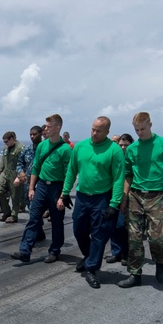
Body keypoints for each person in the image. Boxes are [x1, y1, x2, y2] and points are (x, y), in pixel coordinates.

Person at [57, 117, 125, 289]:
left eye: (99, 131)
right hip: (82, 196)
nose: (94, 133)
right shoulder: (80, 146)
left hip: (102, 197)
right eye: (93, 129)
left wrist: (114, 203)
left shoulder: (114, 150)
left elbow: (118, 179)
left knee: (98, 235)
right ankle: (89, 257)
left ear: (107, 132)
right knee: (78, 230)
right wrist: (65, 193)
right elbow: (71, 170)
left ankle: (93, 269)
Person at [120, 112, 163, 288]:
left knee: (158, 238)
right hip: (136, 195)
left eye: (143, 129)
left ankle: (160, 262)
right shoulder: (132, 149)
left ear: (150, 125)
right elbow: (128, 175)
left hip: (157, 196)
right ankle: (135, 273)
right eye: (136, 130)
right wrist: (124, 197)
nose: (139, 133)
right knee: (134, 237)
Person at [11, 114, 72, 264]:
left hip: (57, 187)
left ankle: (54, 251)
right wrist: (31, 188)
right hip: (42, 186)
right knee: (34, 218)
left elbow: (68, 174)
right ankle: (25, 251)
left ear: (58, 128)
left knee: (57, 222)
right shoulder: (42, 146)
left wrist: (63, 196)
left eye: (49, 126)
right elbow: (36, 167)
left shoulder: (65, 149)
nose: (46, 129)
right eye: (45, 126)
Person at [106, 134, 134, 264]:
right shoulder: (115, 157)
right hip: (114, 194)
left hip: (129, 196)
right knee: (113, 224)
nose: (123, 147)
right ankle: (116, 252)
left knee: (123, 225)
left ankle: (126, 253)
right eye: (121, 145)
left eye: (126, 145)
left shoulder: (133, 158)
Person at [13, 125, 43, 217]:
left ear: (41, 134)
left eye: (34, 134)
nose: (32, 136)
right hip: (28, 184)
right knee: (31, 208)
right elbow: (19, 163)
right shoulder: (26, 149)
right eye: (30, 134)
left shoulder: (45, 149)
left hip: (42, 183)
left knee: (37, 209)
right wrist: (20, 173)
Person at [0, 131, 24, 223]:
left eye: (6, 141)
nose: (5, 143)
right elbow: (3, 160)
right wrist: (0, 171)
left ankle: (14, 215)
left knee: (15, 196)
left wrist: (19, 177)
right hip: (5, 173)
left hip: (15, 174)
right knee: (0, 192)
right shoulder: (6, 148)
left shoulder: (20, 149)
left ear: (12, 139)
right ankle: (6, 211)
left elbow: (23, 163)